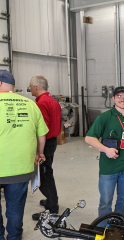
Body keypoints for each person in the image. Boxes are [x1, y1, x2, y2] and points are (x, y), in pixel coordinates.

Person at [85, 86, 124, 224]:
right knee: (105, 202)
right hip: (109, 168)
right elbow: (89, 138)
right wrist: (106, 149)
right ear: (113, 99)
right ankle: (103, 229)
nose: (122, 99)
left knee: (123, 200)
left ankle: (117, 228)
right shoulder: (105, 117)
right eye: (119, 96)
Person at [0, 70, 48, 240]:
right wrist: (40, 153)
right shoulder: (31, 104)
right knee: (16, 207)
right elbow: (41, 135)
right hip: (21, 167)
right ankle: (14, 236)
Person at [29, 75, 62, 221]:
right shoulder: (53, 101)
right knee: (47, 172)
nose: (30, 89)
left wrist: (38, 150)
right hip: (52, 142)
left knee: (45, 176)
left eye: (30, 86)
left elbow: (42, 128)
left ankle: (52, 209)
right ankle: (50, 201)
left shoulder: (41, 103)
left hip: (46, 143)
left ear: (36, 87)